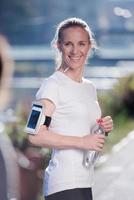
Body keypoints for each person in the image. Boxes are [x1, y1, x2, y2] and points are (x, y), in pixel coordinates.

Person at [28, 17, 113, 200]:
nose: (75, 51)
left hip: (85, 182)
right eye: (68, 44)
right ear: (59, 46)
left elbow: (84, 133)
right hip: (63, 184)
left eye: (81, 44)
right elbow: (34, 135)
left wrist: (102, 129)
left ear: (90, 46)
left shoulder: (89, 88)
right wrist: (83, 141)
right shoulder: (51, 85)